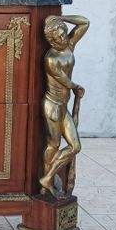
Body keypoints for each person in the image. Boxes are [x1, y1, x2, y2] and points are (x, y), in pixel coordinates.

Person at [40, 15, 90, 199]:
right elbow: (64, 80)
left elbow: (85, 22)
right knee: (53, 144)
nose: (62, 39)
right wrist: (77, 87)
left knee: (75, 146)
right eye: (58, 37)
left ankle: (47, 178)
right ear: (50, 39)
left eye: (63, 34)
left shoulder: (69, 44)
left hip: (63, 105)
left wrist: (60, 18)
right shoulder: (51, 59)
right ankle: (47, 184)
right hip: (52, 106)